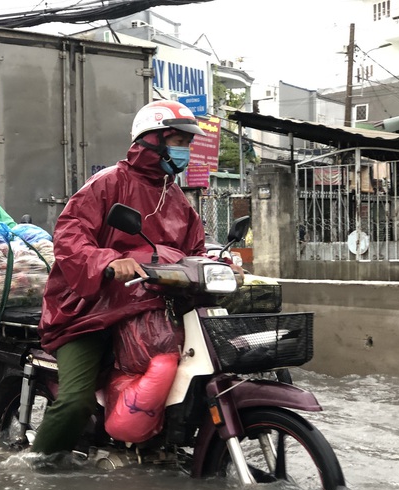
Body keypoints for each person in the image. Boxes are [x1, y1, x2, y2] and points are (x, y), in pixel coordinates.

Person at [30, 100, 242, 455]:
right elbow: (70, 235)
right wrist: (108, 260)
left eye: (187, 145)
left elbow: (194, 250)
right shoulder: (109, 182)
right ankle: (38, 465)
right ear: (151, 140)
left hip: (151, 310)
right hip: (89, 311)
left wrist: (219, 264)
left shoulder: (176, 197)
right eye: (177, 141)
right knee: (76, 402)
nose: (184, 151)